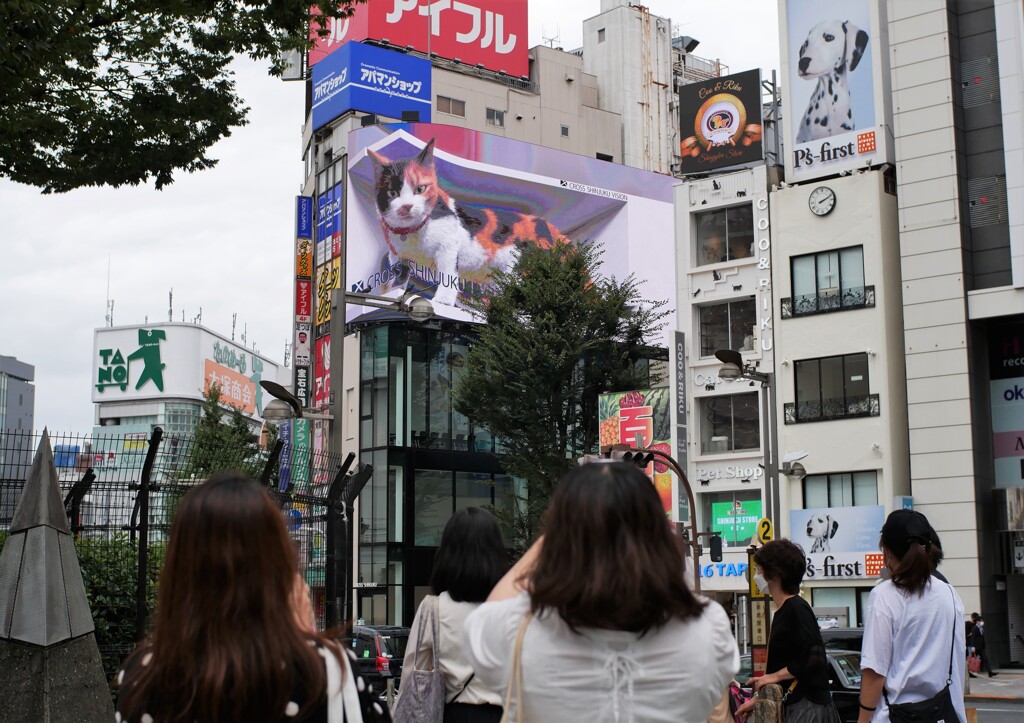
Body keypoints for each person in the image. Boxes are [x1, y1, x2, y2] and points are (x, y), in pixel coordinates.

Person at [464, 462, 739, 723]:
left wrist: (556, 535)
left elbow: (488, 614)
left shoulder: (515, 631)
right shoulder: (709, 629)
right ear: (656, 536)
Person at [117, 473, 388, 723]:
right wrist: (306, 640)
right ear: (277, 565)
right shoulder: (326, 672)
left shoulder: (143, 677)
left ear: (180, 571)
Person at [400, 507, 508, 723]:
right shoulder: (512, 606)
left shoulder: (434, 608)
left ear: (447, 553)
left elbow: (412, 676)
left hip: (455, 714)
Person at [858, 510, 967, 723]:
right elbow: (957, 658)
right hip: (942, 715)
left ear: (886, 551)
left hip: (895, 716)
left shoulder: (883, 596)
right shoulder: (949, 593)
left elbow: (874, 673)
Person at [735, 539, 839, 723]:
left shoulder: (796, 608)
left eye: (759, 569)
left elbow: (813, 657)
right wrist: (759, 699)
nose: (756, 574)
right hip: (799, 706)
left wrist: (772, 677)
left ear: (775, 573)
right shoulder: (787, 609)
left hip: (807, 710)